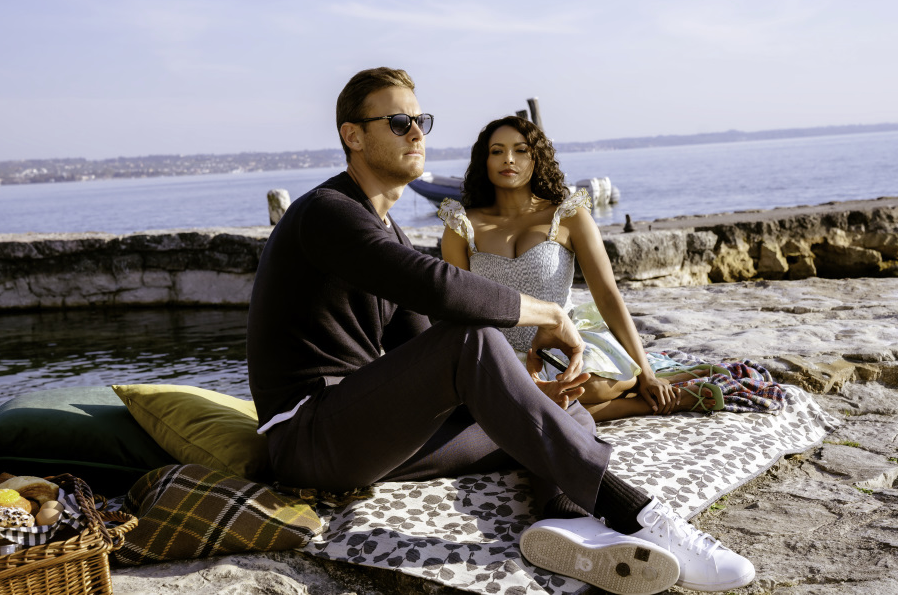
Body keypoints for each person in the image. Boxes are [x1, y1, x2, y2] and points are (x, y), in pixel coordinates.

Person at [246, 67, 755, 594]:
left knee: (560, 407)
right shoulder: (326, 213)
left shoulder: (386, 229)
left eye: (421, 120)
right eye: (398, 122)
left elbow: (417, 344)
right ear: (353, 136)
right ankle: (638, 514)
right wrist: (549, 314)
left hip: (370, 440)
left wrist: (521, 393)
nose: (417, 132)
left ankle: (564, 520)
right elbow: (442, 292)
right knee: (470, 336)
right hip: (310, 436)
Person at [439, 116, 787, 422]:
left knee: (589, 386)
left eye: (520, 150)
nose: (508, 159)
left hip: (566, 344)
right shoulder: (461, 225)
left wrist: (646, 372)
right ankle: (653, 403)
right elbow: (458, 307)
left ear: (536, 158)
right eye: (497, 151)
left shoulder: (568, 216)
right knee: (516, 399)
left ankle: (642, 384)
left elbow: (606, 294)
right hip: (499, 352)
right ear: (484, 160)